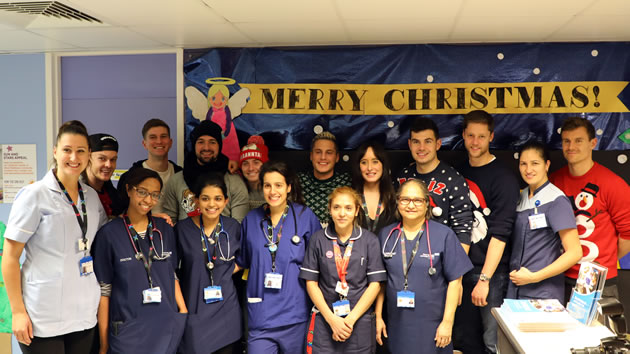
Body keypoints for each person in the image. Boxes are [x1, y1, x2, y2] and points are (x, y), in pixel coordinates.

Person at [2, 120, 107, 354]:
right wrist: (17, 312)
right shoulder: (34, 195)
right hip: (42, 315)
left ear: (89, 153)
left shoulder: (90, 197)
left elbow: (104, 236)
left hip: (83, 313)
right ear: (55, 151)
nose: (74, 157)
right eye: (67, 150)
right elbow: (9, 258)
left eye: (81, 150)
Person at [92, 167, 187, 354]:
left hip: (165, 326)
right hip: (129, 329)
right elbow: (104, 291)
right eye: (142, 192)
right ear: (128, 190)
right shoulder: (109, 234)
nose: (148, 200)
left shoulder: (165, 229)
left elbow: (171, 274)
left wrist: (182, 311)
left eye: (154, 195)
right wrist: (103, 345)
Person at [376, 180, 472, 354]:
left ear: (427, 203)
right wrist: (378, 317)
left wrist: (447, 323)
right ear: (397, 201)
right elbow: (380, 282)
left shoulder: (444, 234)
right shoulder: (386, 235)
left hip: (433, 325)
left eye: (417, 200)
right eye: (405, 199)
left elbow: (455, 282)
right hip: (398, 324)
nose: (411, 205)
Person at [237, 161, 321, 353]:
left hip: (295, 316)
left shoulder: (305, 217)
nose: (273, 191)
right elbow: (241, 261)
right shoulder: (251, 220)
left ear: (289, 187)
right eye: (267, 185)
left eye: (279, 185)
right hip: (261, 316)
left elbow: (318, 264)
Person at [454, 110, 520, 354]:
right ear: (463, 135)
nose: (474, 142)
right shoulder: (458, 173)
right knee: (463, 341)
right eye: (470, 135)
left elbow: (501, 234)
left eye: (481, 136)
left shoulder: (503, 178)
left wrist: (485, 279)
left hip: (491, 275)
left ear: (491, 137)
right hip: (460, 272)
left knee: (494, 343)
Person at [549, 117, 630, 303]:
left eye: (578, 141)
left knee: (599, 332)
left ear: (593, 143)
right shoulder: (554, 181)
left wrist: (605, 259)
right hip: (559, 276)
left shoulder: (612, 184)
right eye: (566, 141)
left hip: (596, 279)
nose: (571, 147)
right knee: (560, 332)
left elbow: (627, 234)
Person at [299, 187, 386, 353]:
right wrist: (332, 320)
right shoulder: (318, 239)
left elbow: (375, 285)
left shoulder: (369, 240)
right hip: (325, 322)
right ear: (330, 209)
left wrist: (350, 321)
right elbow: (311, 283)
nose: (342, 213)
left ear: (356, 210)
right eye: (336, 207)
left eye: (348, 208)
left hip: (358, 322)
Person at [507, 141, 582, 303]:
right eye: (523, 164)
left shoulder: (556, 200)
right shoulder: (520, 197)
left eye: (535, 163)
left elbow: (575, 252)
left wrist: (535, 277)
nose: (528, 170)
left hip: (543, 293)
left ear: (546, 165)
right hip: (516, 289)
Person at [176, 173, 242, 354]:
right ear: (196, 201)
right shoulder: (182, 229)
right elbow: (170, 270)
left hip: (227, 311)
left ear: (226, 201)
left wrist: (226, 272)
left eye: (218, 198)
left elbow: (244, 259)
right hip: (194, 309)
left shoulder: (233, 227)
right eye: (205, 198)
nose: (212, 204)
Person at [395, 117, 473, 252]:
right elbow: (394, 221)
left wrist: (456, 271)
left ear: (438, 144)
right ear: (409, 144)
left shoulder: (453, 180)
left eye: (428, 141)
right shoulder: (402, 177)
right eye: (416, 142)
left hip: (440, 260)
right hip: (403, 257)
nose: (421, 148)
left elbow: (463, 231)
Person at [161, 120, 248, 222]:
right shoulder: (176, 180)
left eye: (212, 142)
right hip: (185, 237)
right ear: (194, 145)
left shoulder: (234, 181)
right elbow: (169, 222)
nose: (206, 147)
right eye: (201, 142)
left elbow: (239, 224)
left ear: (219, 146)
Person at [120, 119, 182, 214]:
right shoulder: (129, 178)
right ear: (144, 144)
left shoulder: (181, 175)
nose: (159, 141)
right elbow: (122, 214)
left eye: (163, 136)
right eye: (153, 137)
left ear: (170, 142)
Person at [299, 131, 352, 227]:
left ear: (337, 157)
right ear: (311, 156)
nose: (323, 157)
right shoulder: (298, 182)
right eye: (318, 152)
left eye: (329, 152)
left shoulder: (348, 182)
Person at [352, 140, 397, 235]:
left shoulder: (395, 198)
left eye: (375, 162)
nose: (369, 168)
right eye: (364, 162)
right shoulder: (350, 197)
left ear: (383, 165)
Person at [82, 133, 125, 218]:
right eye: (102, 158)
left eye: (113, 159)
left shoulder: (114, 195)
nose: (108, 165)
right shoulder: (76, 193)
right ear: (87, 157)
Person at [240, 135, 269, 212]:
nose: (251, 168)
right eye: (245, 163)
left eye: (256, 162)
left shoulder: (275, 189)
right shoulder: (238, 190)